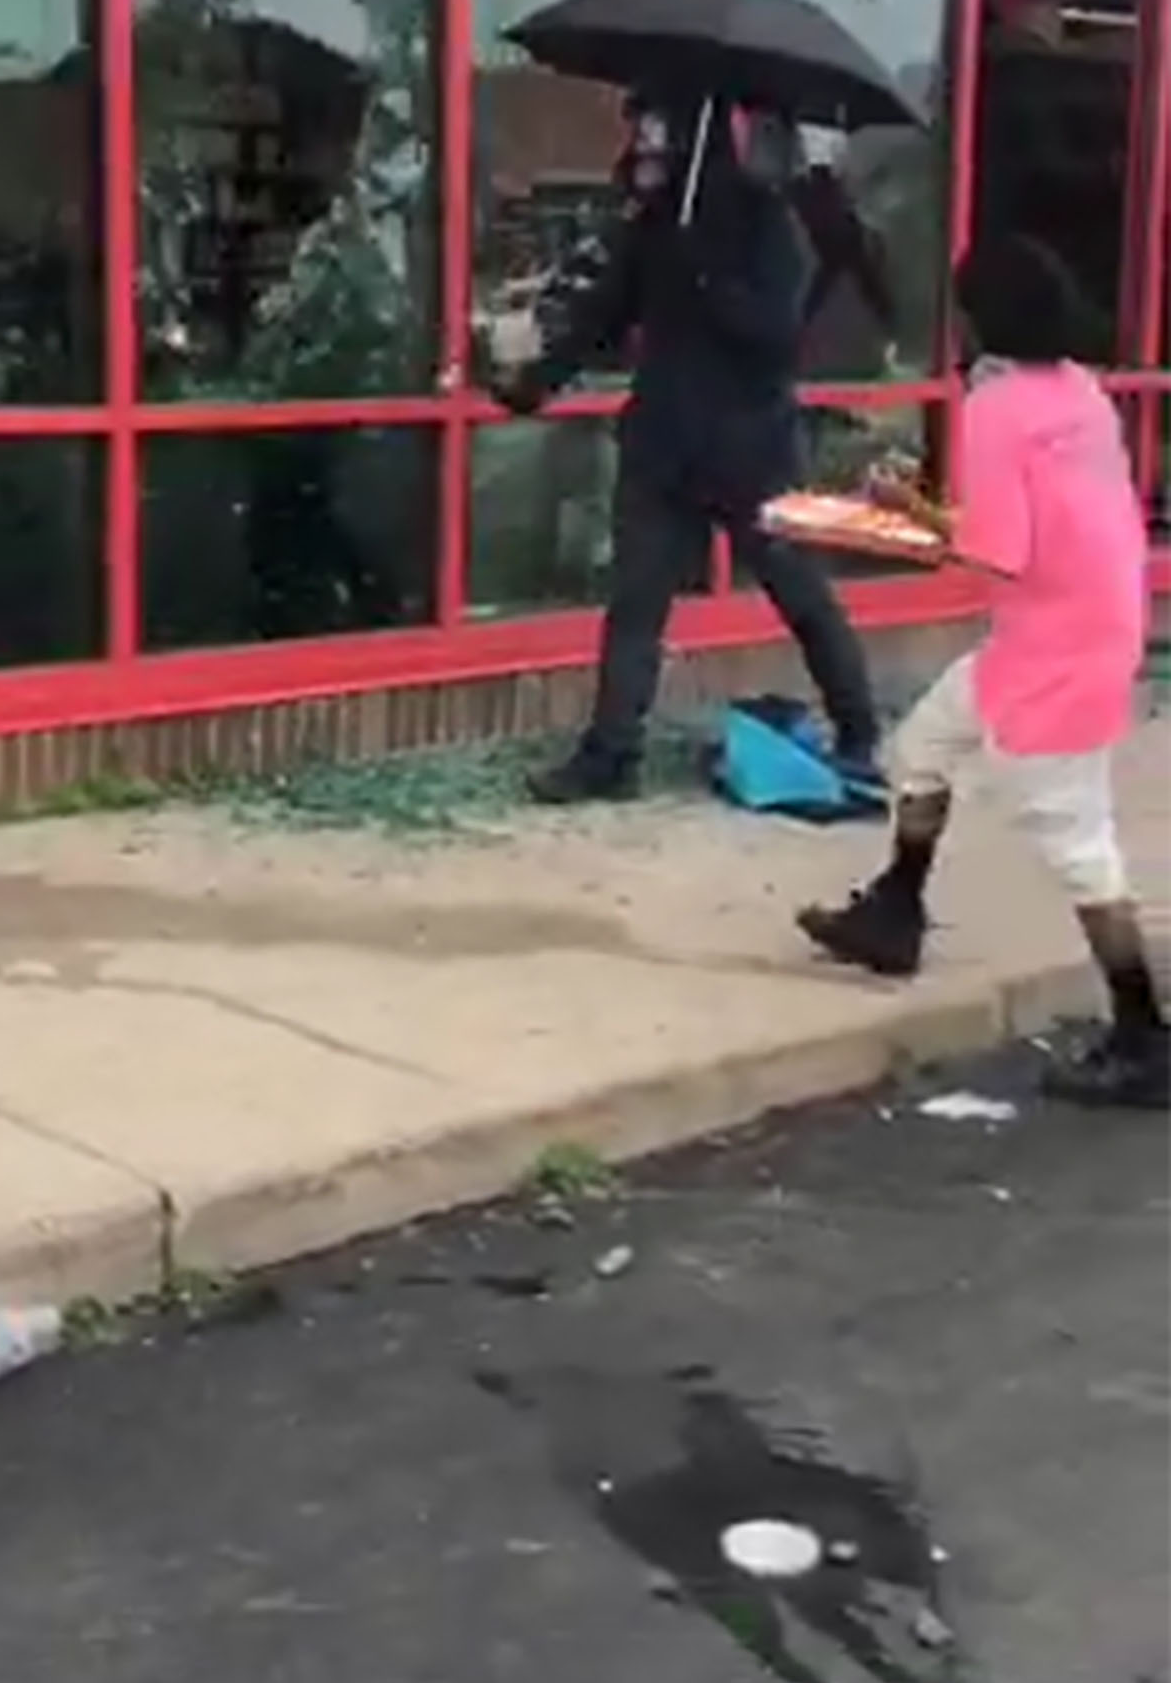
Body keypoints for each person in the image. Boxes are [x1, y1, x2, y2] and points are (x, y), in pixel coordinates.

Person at [797, 232, 1167, 1109]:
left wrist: (899, 512)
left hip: (1054, 651)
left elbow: (997, 551)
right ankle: (895, 909)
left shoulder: (997, 407)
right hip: (1086, 622)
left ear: (982, 316)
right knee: (924, 746)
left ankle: (1144, 1032)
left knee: (1081, 847)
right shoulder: (1081, 392)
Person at [494, 97, 881, 802]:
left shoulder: (766, 224)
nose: (640, 149)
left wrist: (712, 281)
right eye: (635, 136)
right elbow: (603, 315)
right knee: (635, 606)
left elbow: (779, 337)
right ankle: (610, 756)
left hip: (752, 452)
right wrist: (534, 385)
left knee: (802, 598)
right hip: (663, 444)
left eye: (653, 134)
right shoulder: (653, 228)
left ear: (690, 141)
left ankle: (860, 732)